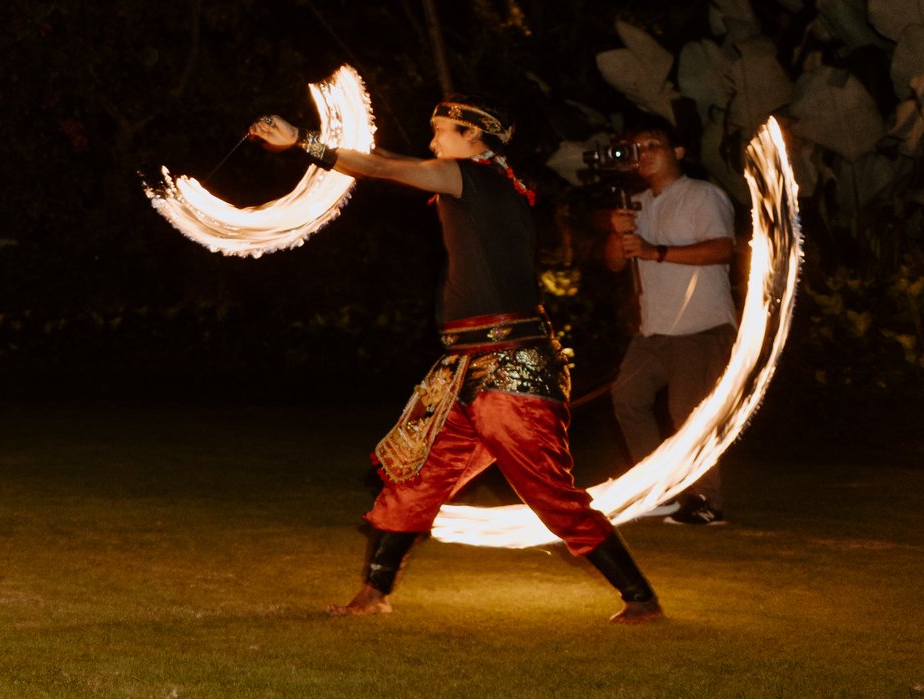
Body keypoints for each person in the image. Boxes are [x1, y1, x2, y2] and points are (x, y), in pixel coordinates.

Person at [251, 95, 664, 623]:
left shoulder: (477, 176)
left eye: (442, 131)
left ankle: (639, 597)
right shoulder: (486, 184)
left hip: (512, 368)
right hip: (465, 367)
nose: (433, 142)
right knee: (415, 476)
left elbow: (384, 166)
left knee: (548, 492)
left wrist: (305, 142)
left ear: (474, 138)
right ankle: (375, 594)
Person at [602, 119, 736, 527]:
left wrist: (655, 250)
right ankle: (657, 490)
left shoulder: (702, 195)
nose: (643, 155)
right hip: (654, 329)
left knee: (688, 413)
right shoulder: (638, 202)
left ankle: (705, 500)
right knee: (627, 399)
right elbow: (614, 263)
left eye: (653, 146)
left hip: (701, 326)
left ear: (678, 153)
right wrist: (617, 232)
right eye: (636, 148)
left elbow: (722, 249)